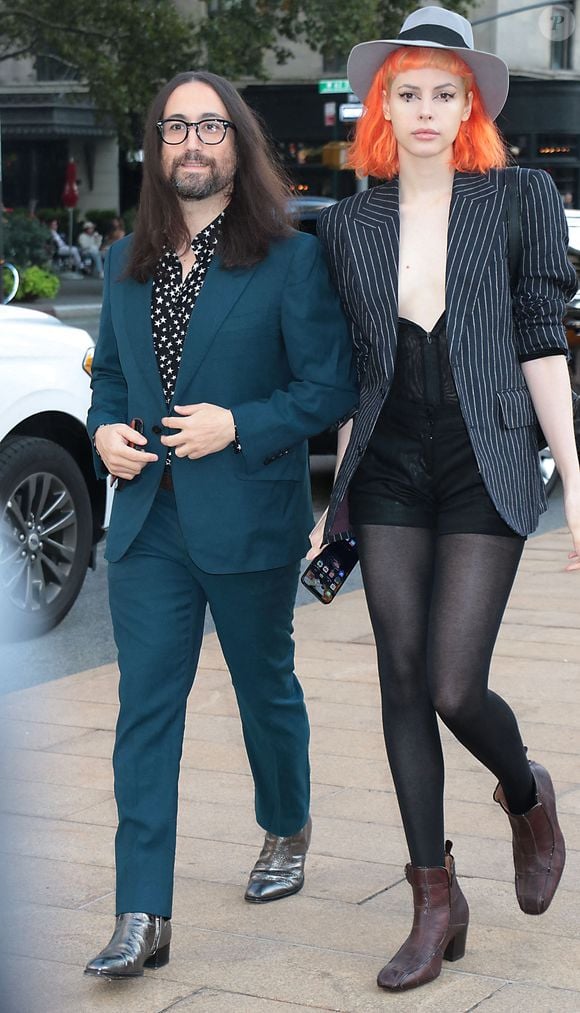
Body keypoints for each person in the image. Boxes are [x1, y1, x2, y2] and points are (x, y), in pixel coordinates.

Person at [310, 6, 580, 994]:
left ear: (471, 105)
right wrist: (332, 497)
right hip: (386, 468)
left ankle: (526, 791)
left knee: (454, 685)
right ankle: (434, 895)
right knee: (399, 679)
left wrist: (577, 478)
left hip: (485, 457)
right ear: (382, 105)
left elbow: (540, 339)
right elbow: (356, 378)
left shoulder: (518, 196)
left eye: (443, 94)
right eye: (406, 93)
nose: (424, 110)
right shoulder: (349, 224)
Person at [85, 70, 357, 979]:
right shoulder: (131, 261)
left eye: (209, 126)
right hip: (147, 525)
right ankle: (141, 912)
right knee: (143, 715)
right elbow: (112, 382)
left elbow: (327, 388)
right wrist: (103, 433)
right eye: (174, 129)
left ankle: (286, 822)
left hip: (247, 515)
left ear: (237, 143)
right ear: (156, 150)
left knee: (263, 688)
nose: (191, 142)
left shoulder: (289, 258)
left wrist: (237, 423)